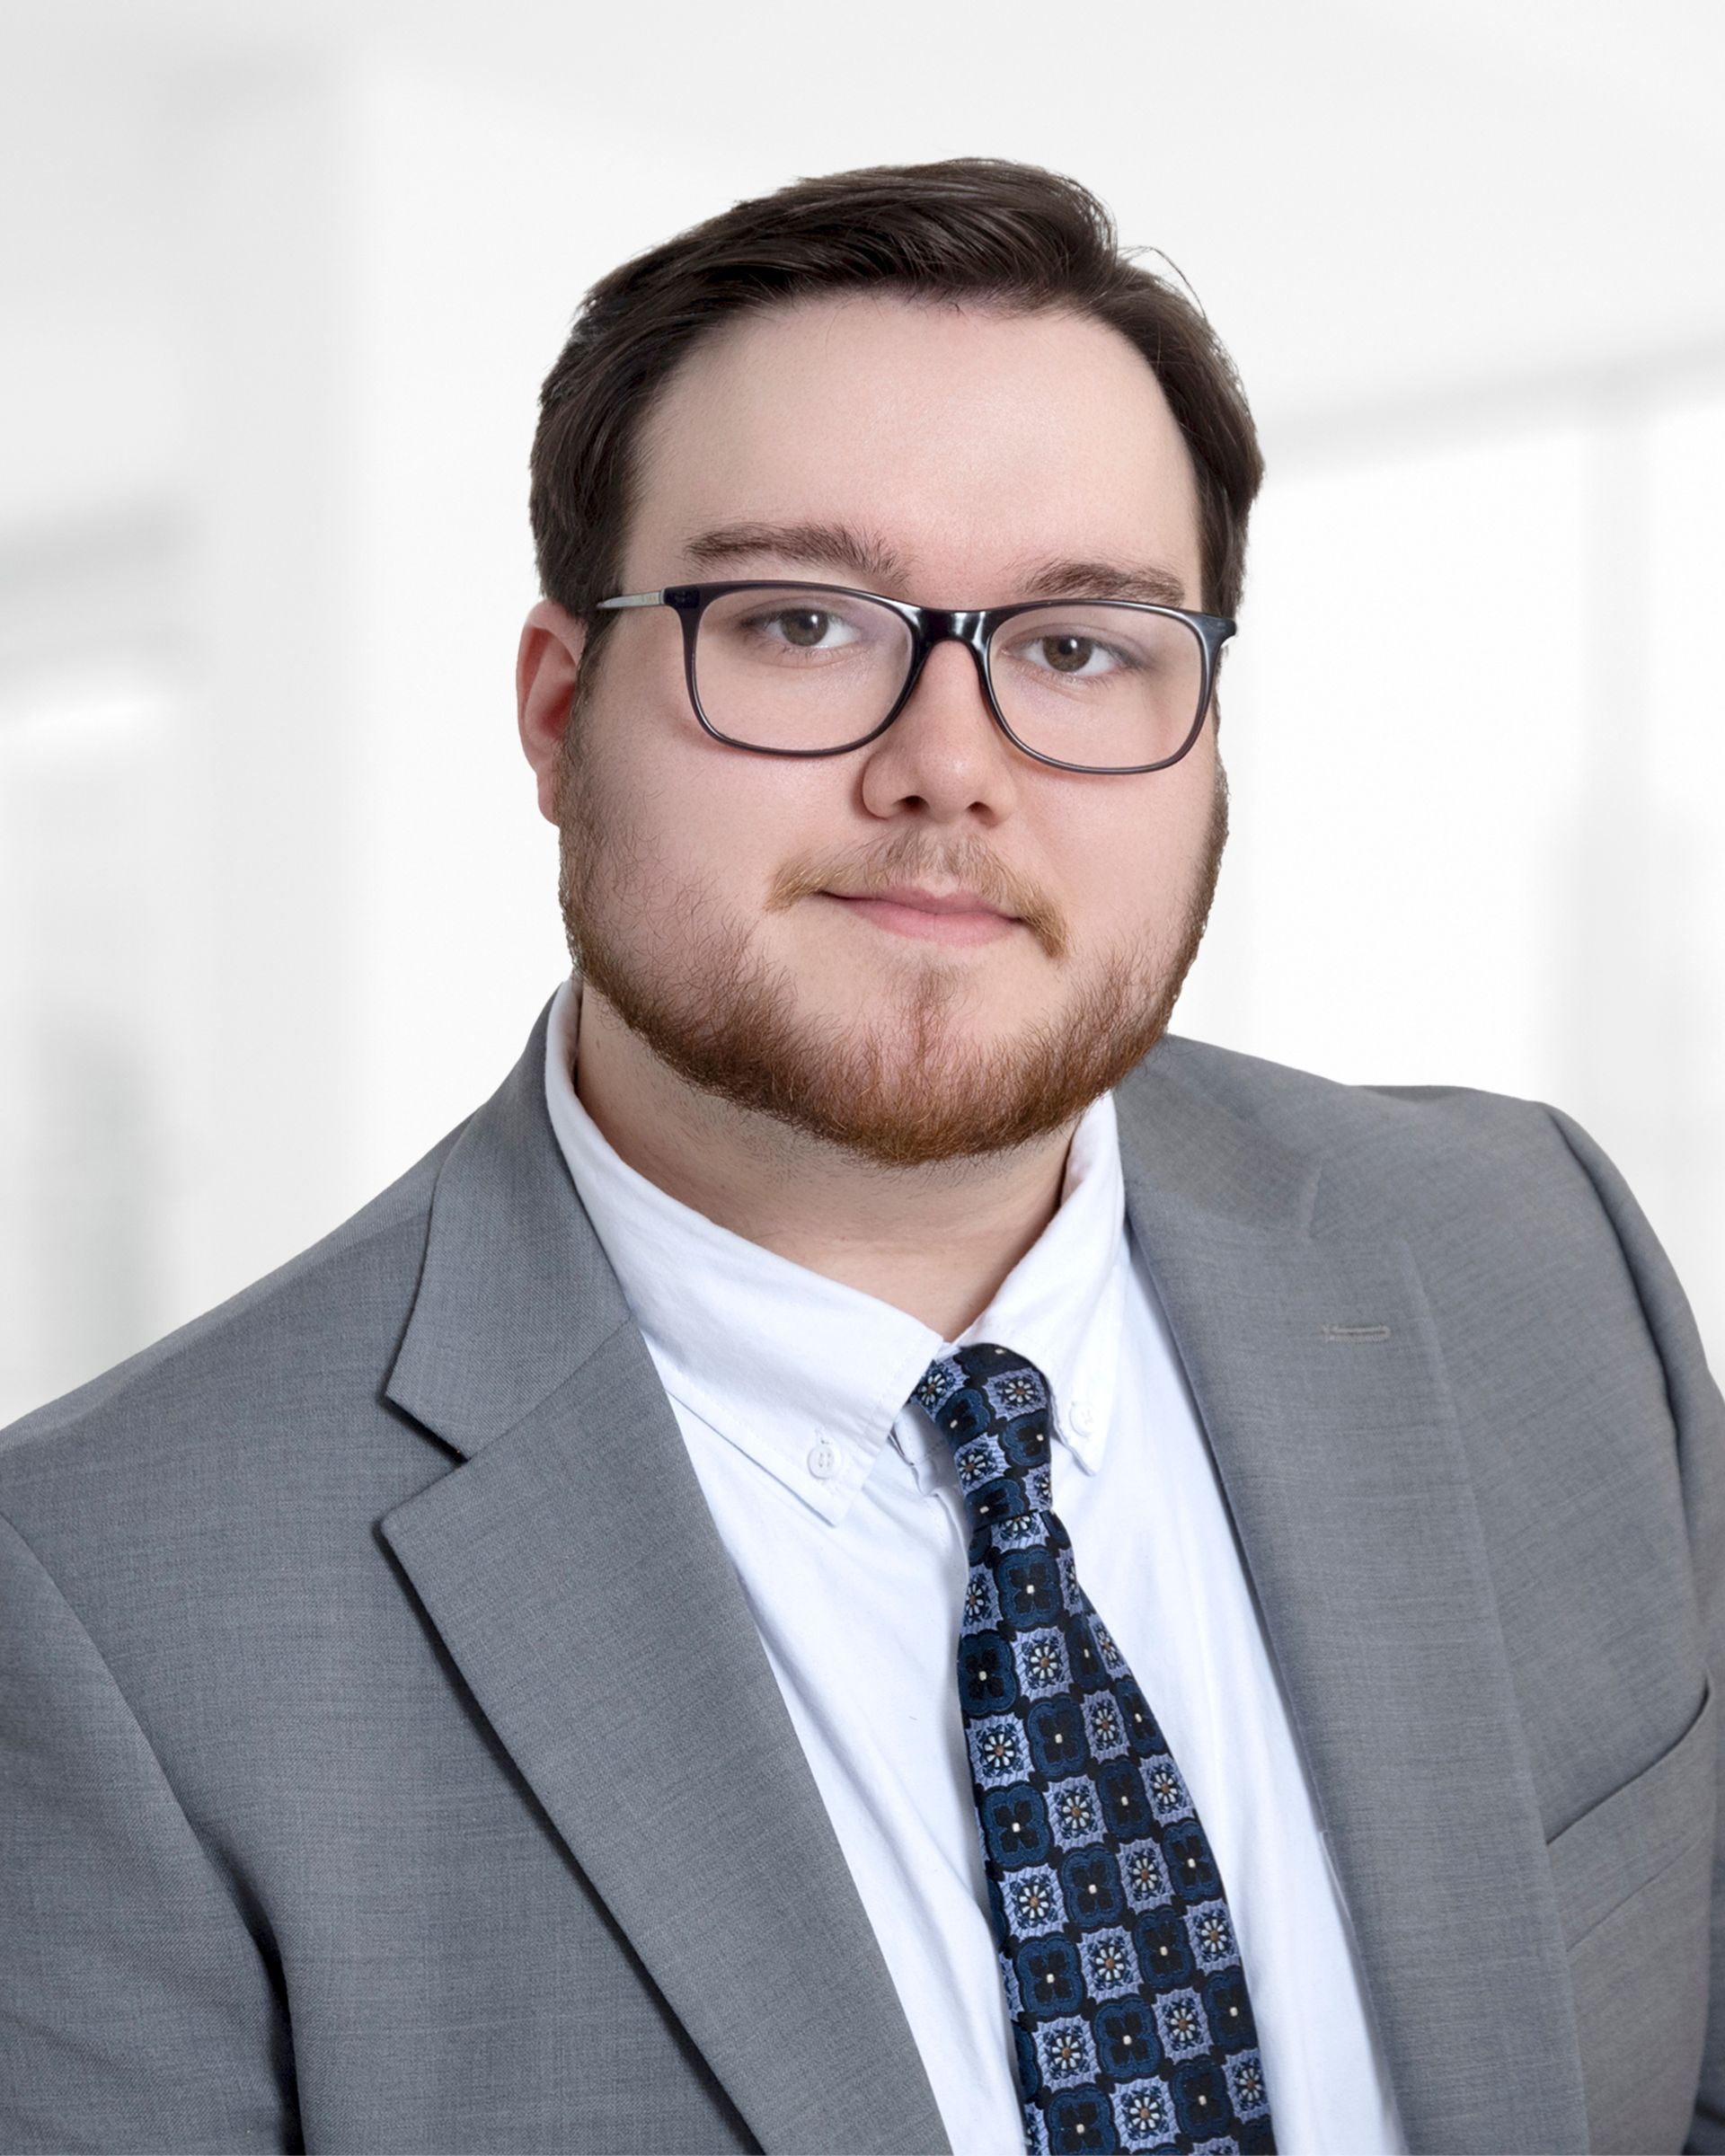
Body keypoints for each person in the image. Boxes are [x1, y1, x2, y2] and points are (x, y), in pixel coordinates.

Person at [0, 156, 1718, 2156]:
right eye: (805, 623)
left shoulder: (1539, 1267)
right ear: (560, 717)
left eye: (1082, 647)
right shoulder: (111, 1613)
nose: (948, 761)